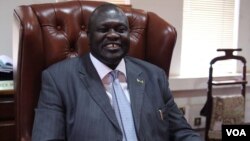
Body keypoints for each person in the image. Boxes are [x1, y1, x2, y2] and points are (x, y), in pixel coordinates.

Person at [32, 3, 203, 141]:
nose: (113, 35)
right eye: (104, 29)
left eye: (121, 30)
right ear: (89, 37)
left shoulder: (154, 75)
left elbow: (181, 132)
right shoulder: (58, 79)